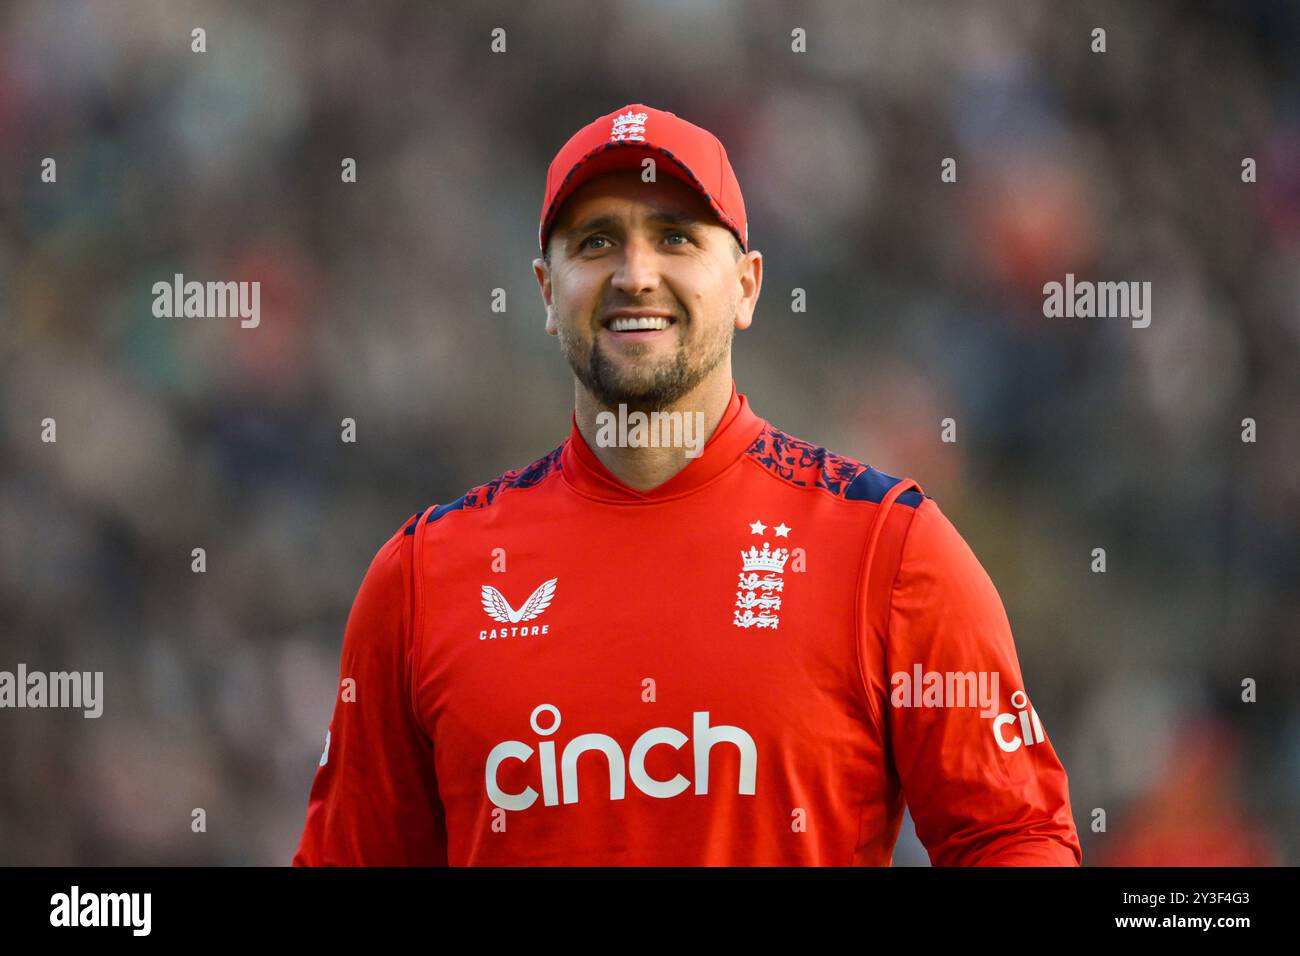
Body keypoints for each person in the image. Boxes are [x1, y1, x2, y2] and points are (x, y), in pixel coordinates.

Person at [292, 103, 1082, 865]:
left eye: (675, 237)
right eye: (597, 241)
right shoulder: (424, 577)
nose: (636, 275)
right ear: (544, 290)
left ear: (745, 285)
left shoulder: (889, 550)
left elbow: (1012, 837)